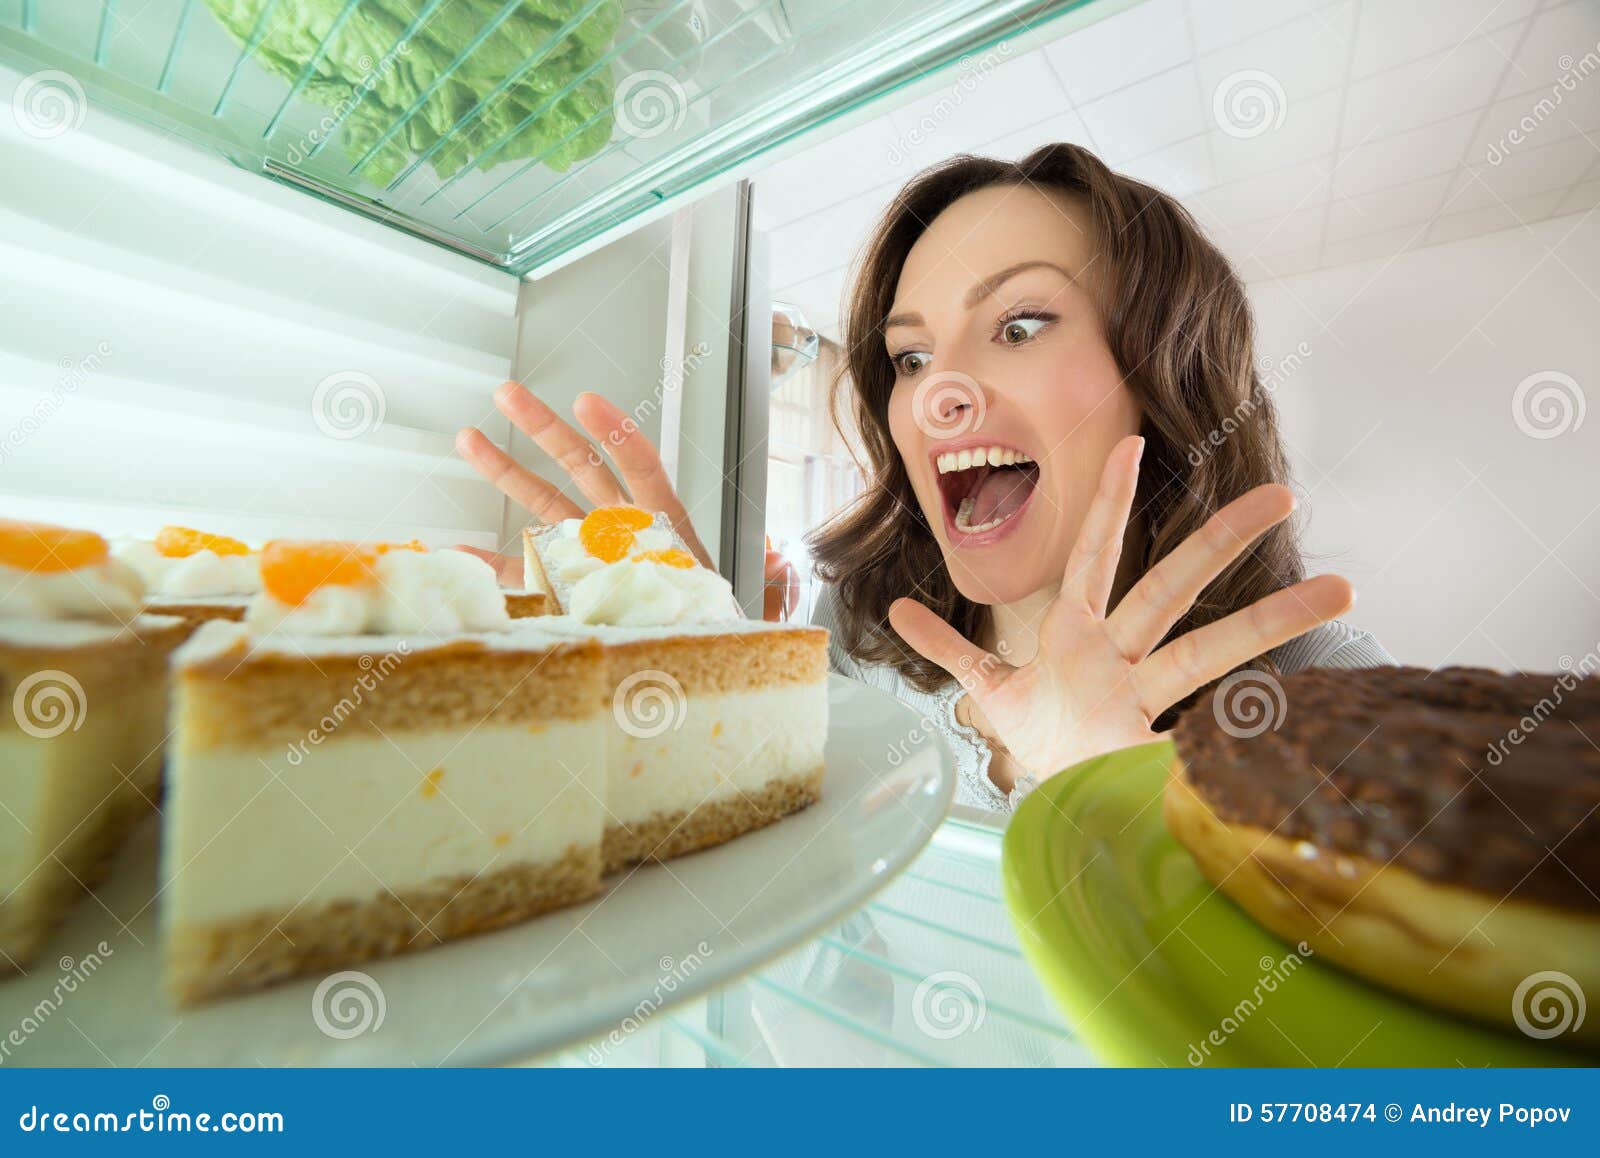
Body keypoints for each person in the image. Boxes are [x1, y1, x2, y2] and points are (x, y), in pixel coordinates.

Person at [456, 143, 1393, 814]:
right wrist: (708, 663)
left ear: (1167, 377)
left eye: (1019, 327)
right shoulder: (863, 626)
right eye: (908, 358)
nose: (936, 391)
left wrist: (1105, 809)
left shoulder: (1327, 700)